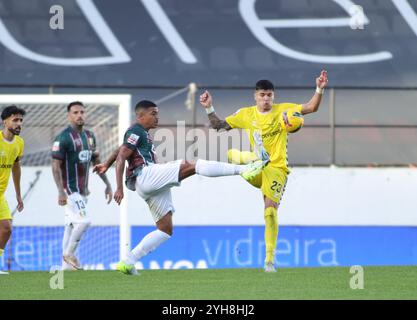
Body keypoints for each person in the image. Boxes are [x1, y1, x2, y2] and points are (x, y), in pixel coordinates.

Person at [93, 100, 266, 275]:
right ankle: (244, 169)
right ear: (140, 115)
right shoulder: (136, 129)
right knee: (193, 165)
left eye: (157, 113)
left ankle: (129, 261)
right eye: (153, 113)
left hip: (147, 185)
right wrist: (118, 188)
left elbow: (120, 150)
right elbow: (122, 156)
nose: (157, 117)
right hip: (145, 175)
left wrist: (106, 164)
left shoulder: (138, 133)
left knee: (165, 230)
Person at [199, 70, 329, 272]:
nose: (266, 98)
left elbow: (311, 107)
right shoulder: (246, 114)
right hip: (257, 167)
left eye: (269, 95)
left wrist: (319, 88)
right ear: (255, 96)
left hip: (277, 170)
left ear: (273, 96)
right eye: (262, 95)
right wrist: (209, 108)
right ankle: (247, 163)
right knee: (232, 154)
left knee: (269, 212)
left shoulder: (284, 111)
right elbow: (219, 125)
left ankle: (269, 261)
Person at [51, 101, 113, 271]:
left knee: (71, 227)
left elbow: (96, 162)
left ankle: (65, 268)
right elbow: (55, 166)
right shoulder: (63, 138)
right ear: (69, 115)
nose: (79, 115)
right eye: (75, 112)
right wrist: (60, 192)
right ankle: (69, 254)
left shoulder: (90, 136)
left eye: (82, 112)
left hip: (84, 191)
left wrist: (107, 184)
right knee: (84, 221)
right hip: (70, 191)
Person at [0, 106, 25, 275]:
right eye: (15, 120)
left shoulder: (19, 143)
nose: (19, 124)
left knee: (6, 228)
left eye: (21, 120)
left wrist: (18, 193)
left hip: (1, 194)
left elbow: (16, 168)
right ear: (5, 121)